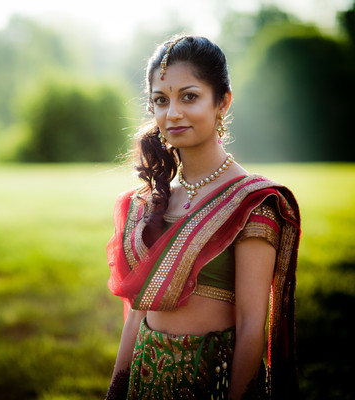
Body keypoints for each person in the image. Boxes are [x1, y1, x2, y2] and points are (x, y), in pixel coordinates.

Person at [104, 35, 301, 400]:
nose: (172, 113)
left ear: (222, 102)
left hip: (211, 378)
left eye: (189, 96)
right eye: (160, 101)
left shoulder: (252, 202)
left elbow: (250, 324)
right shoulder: (152, 200)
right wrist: (117, 390)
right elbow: (136, 313)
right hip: (147, 380)